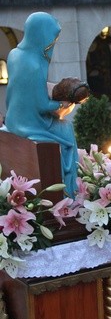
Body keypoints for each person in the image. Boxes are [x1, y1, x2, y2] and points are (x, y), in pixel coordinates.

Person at [5, 12, 78, 197]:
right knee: (67, 131)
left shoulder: (14, 54)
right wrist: (63, 104)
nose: (50, 45)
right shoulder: (35, 64)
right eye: (50, 40)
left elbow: (24, 90)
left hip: (13, 118)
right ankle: (68, 189)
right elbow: (41, 105)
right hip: (30, 124)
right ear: (41, 36)